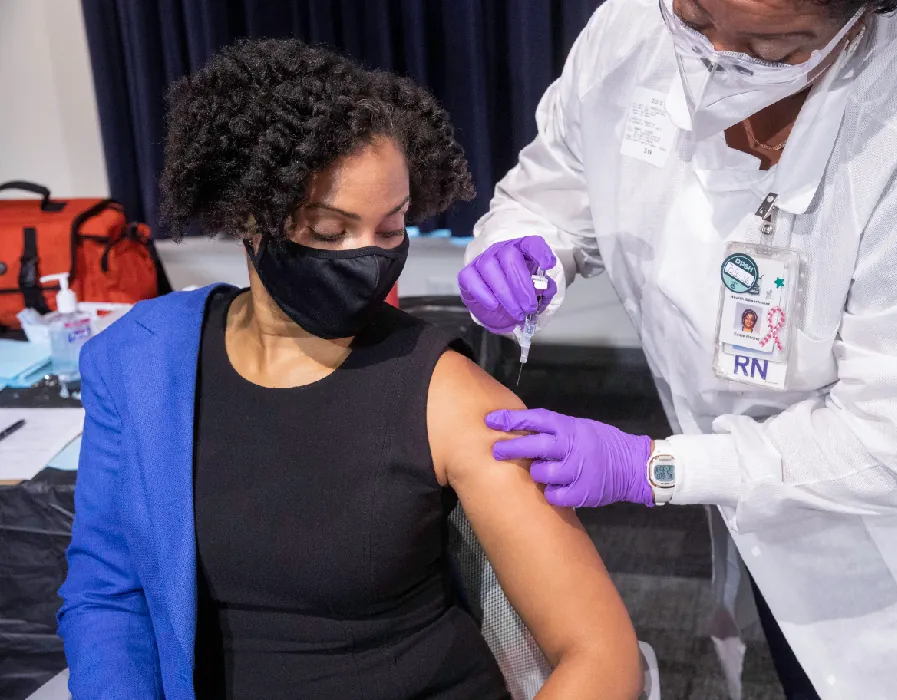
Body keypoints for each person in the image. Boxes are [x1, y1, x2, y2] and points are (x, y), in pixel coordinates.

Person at [457, 0, 897, 698]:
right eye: (697, 16)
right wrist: (528, 249)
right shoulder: (631, 30)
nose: (715, 57)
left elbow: (893, 444)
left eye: (772, 48)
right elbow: (558, 184)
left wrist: (651, 469)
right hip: (761, 514)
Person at [57, 38, 642, 700]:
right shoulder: (142, 362)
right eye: (330, 232)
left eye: (390, 229)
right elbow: (109, 595)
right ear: (250, 214)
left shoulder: (444, 393)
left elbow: (600, 652)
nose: (367, 258)